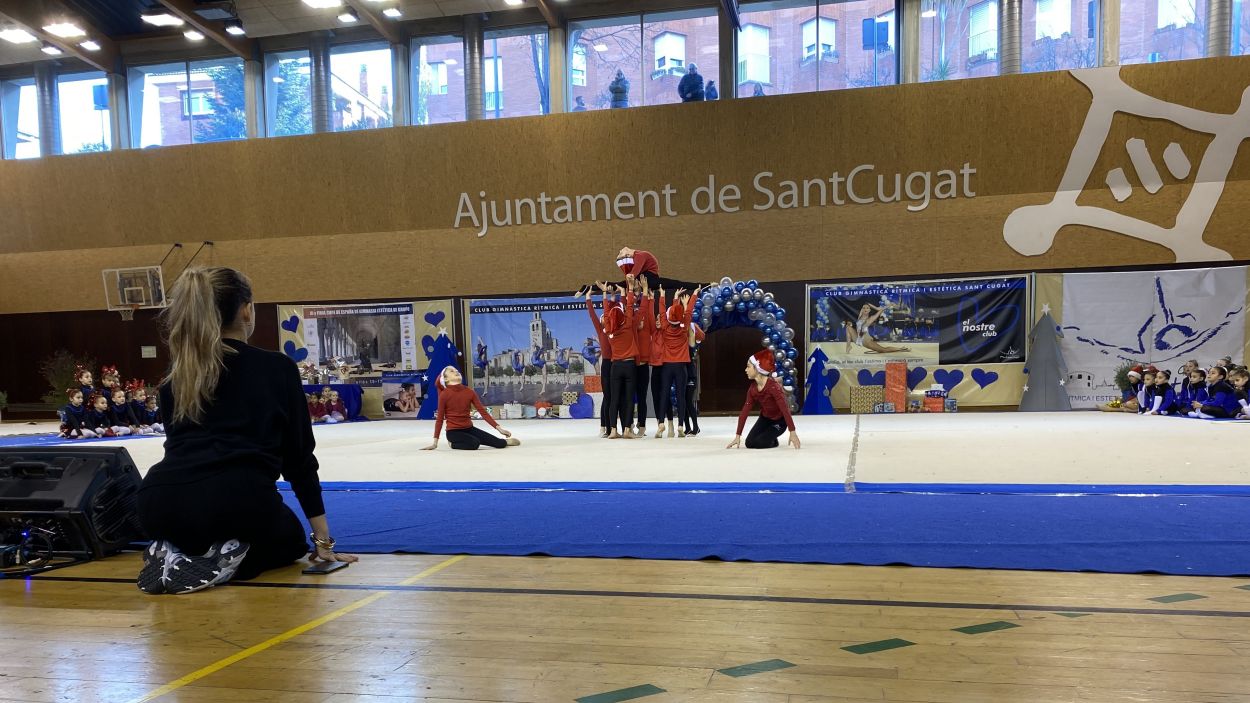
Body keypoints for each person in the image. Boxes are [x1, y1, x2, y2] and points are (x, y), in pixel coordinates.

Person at [136, 267, 356, 596]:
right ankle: (223, 561)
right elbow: (298, 460)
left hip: (157, 502)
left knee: (205, 520)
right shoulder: (276, 368)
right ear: (246, 310)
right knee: (289, 539)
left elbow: (177, 447)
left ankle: (175, 549)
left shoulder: (178, 374)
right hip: (234, 500)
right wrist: (323, 542)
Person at [422, 366, 520, 450]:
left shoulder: (469, 392)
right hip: (453, 432)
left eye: (457, 370)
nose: (456, 371)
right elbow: (439, 419)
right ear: (446, 379)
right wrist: (435, 442)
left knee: (500, 444)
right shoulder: (444, 395)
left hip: (469, 428)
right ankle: (452, 444)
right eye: (452, 371)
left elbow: (482, 411)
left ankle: (503, 442)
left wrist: (499, 429)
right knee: (474, 443)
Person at [728, 350, 800, 450]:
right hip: (765, 418)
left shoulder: (773, 387)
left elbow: (785, 409)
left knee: (760, 442)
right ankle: (769, 436)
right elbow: (745, 411)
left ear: (757, 368)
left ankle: (773, 439)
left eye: (748, 366)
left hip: (779, 421)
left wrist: (792, 432)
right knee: (749, 443)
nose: (745, 370)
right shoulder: (752, 389)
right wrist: (737, 436)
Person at [843, 304, 911, 354]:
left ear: (869, 310)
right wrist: (868, 305)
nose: (865, 309)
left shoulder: (871, 318)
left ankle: (901, 349)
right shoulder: (860, 316)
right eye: (863, 308)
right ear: (862, 309)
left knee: (883, 350)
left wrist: (887, 305)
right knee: (848, 327)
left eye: (867, 308)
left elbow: (881, 310)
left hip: (866, 341)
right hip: (857, 339)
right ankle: (848, 346)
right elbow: (866, 303)